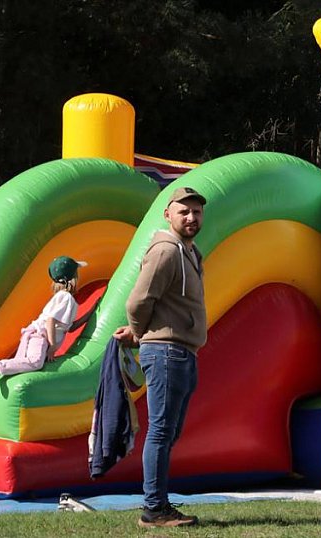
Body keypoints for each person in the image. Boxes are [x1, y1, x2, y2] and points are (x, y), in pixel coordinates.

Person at [113, 186, 207, 527]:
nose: (191, 217)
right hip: (166, 353)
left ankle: (160, 504)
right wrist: (140, 334)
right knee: (161, 432)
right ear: (167, 214)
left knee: (168, 433)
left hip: (181, 352)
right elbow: (137, 302)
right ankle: (154, 510)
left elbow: (161, 305)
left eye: (196, 211)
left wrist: (138, 334)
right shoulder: (166, 251)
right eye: (184, 211)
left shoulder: (191, 252)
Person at [0, 256, 89, 383]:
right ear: (72, 278)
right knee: (35, 362)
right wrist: (52, 347)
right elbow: (50, 321)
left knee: (21, 363)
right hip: (39, 336)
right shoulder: (66, 297)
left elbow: (70, 327)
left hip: (35, 335)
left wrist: (90, 314)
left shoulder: (63, 297)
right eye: (76, 273)